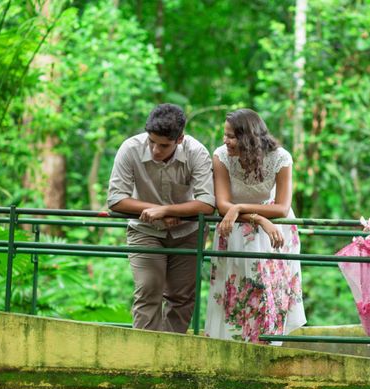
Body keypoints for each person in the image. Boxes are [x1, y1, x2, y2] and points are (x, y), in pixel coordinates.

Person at [107, 103, 215, 333]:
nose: (155, 150)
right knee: (148, 289)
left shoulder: (197, 152)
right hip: (145, 231)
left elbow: (207, 204)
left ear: (180, 139)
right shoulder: (130, 149)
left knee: (182, 297)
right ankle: (144, 356)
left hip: (188, 232)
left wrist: (167, 211)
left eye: (163, 145)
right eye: (151, 141)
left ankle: (169, 354)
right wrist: (156, 210)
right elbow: (116, 199)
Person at [204, 108, 306, 343]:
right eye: (225, 135)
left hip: (274, 229)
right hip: (237, 229)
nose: (225, 140)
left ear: (248, 137)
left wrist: (239, 208)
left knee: (268, 289)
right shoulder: (221, 157)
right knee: (238, 292)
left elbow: (281, 207)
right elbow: (222, 205)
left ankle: (267, 343)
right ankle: (234, 344)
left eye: (231, 136)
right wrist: (256, 219)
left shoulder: (280, 158)